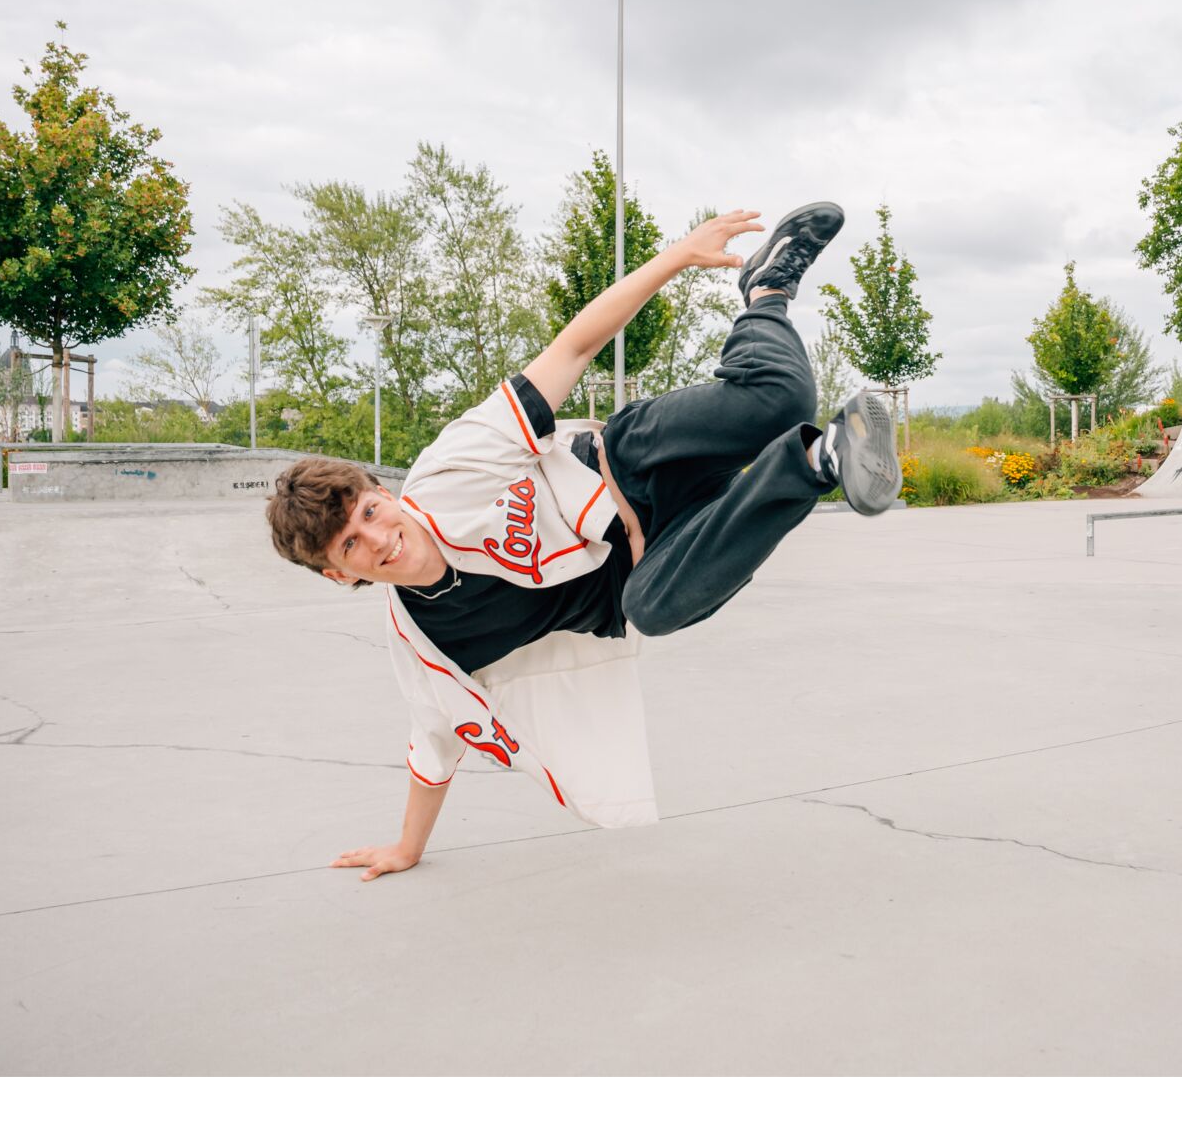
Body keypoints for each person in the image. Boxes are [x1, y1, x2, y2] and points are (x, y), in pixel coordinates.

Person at [265, 201, 901, 877]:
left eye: (368, 512)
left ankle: (767, 291)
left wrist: (679, 256)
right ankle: (819, 460)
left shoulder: (449, 468)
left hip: (627, 464)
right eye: (350, 548)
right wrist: (406, 849)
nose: (380, 538)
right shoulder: (428, 649)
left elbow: (571, 348)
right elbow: (433, 749)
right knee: (651, 612)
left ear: (382, 494)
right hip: (657, 562)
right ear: (341, 575)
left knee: (779, 399)